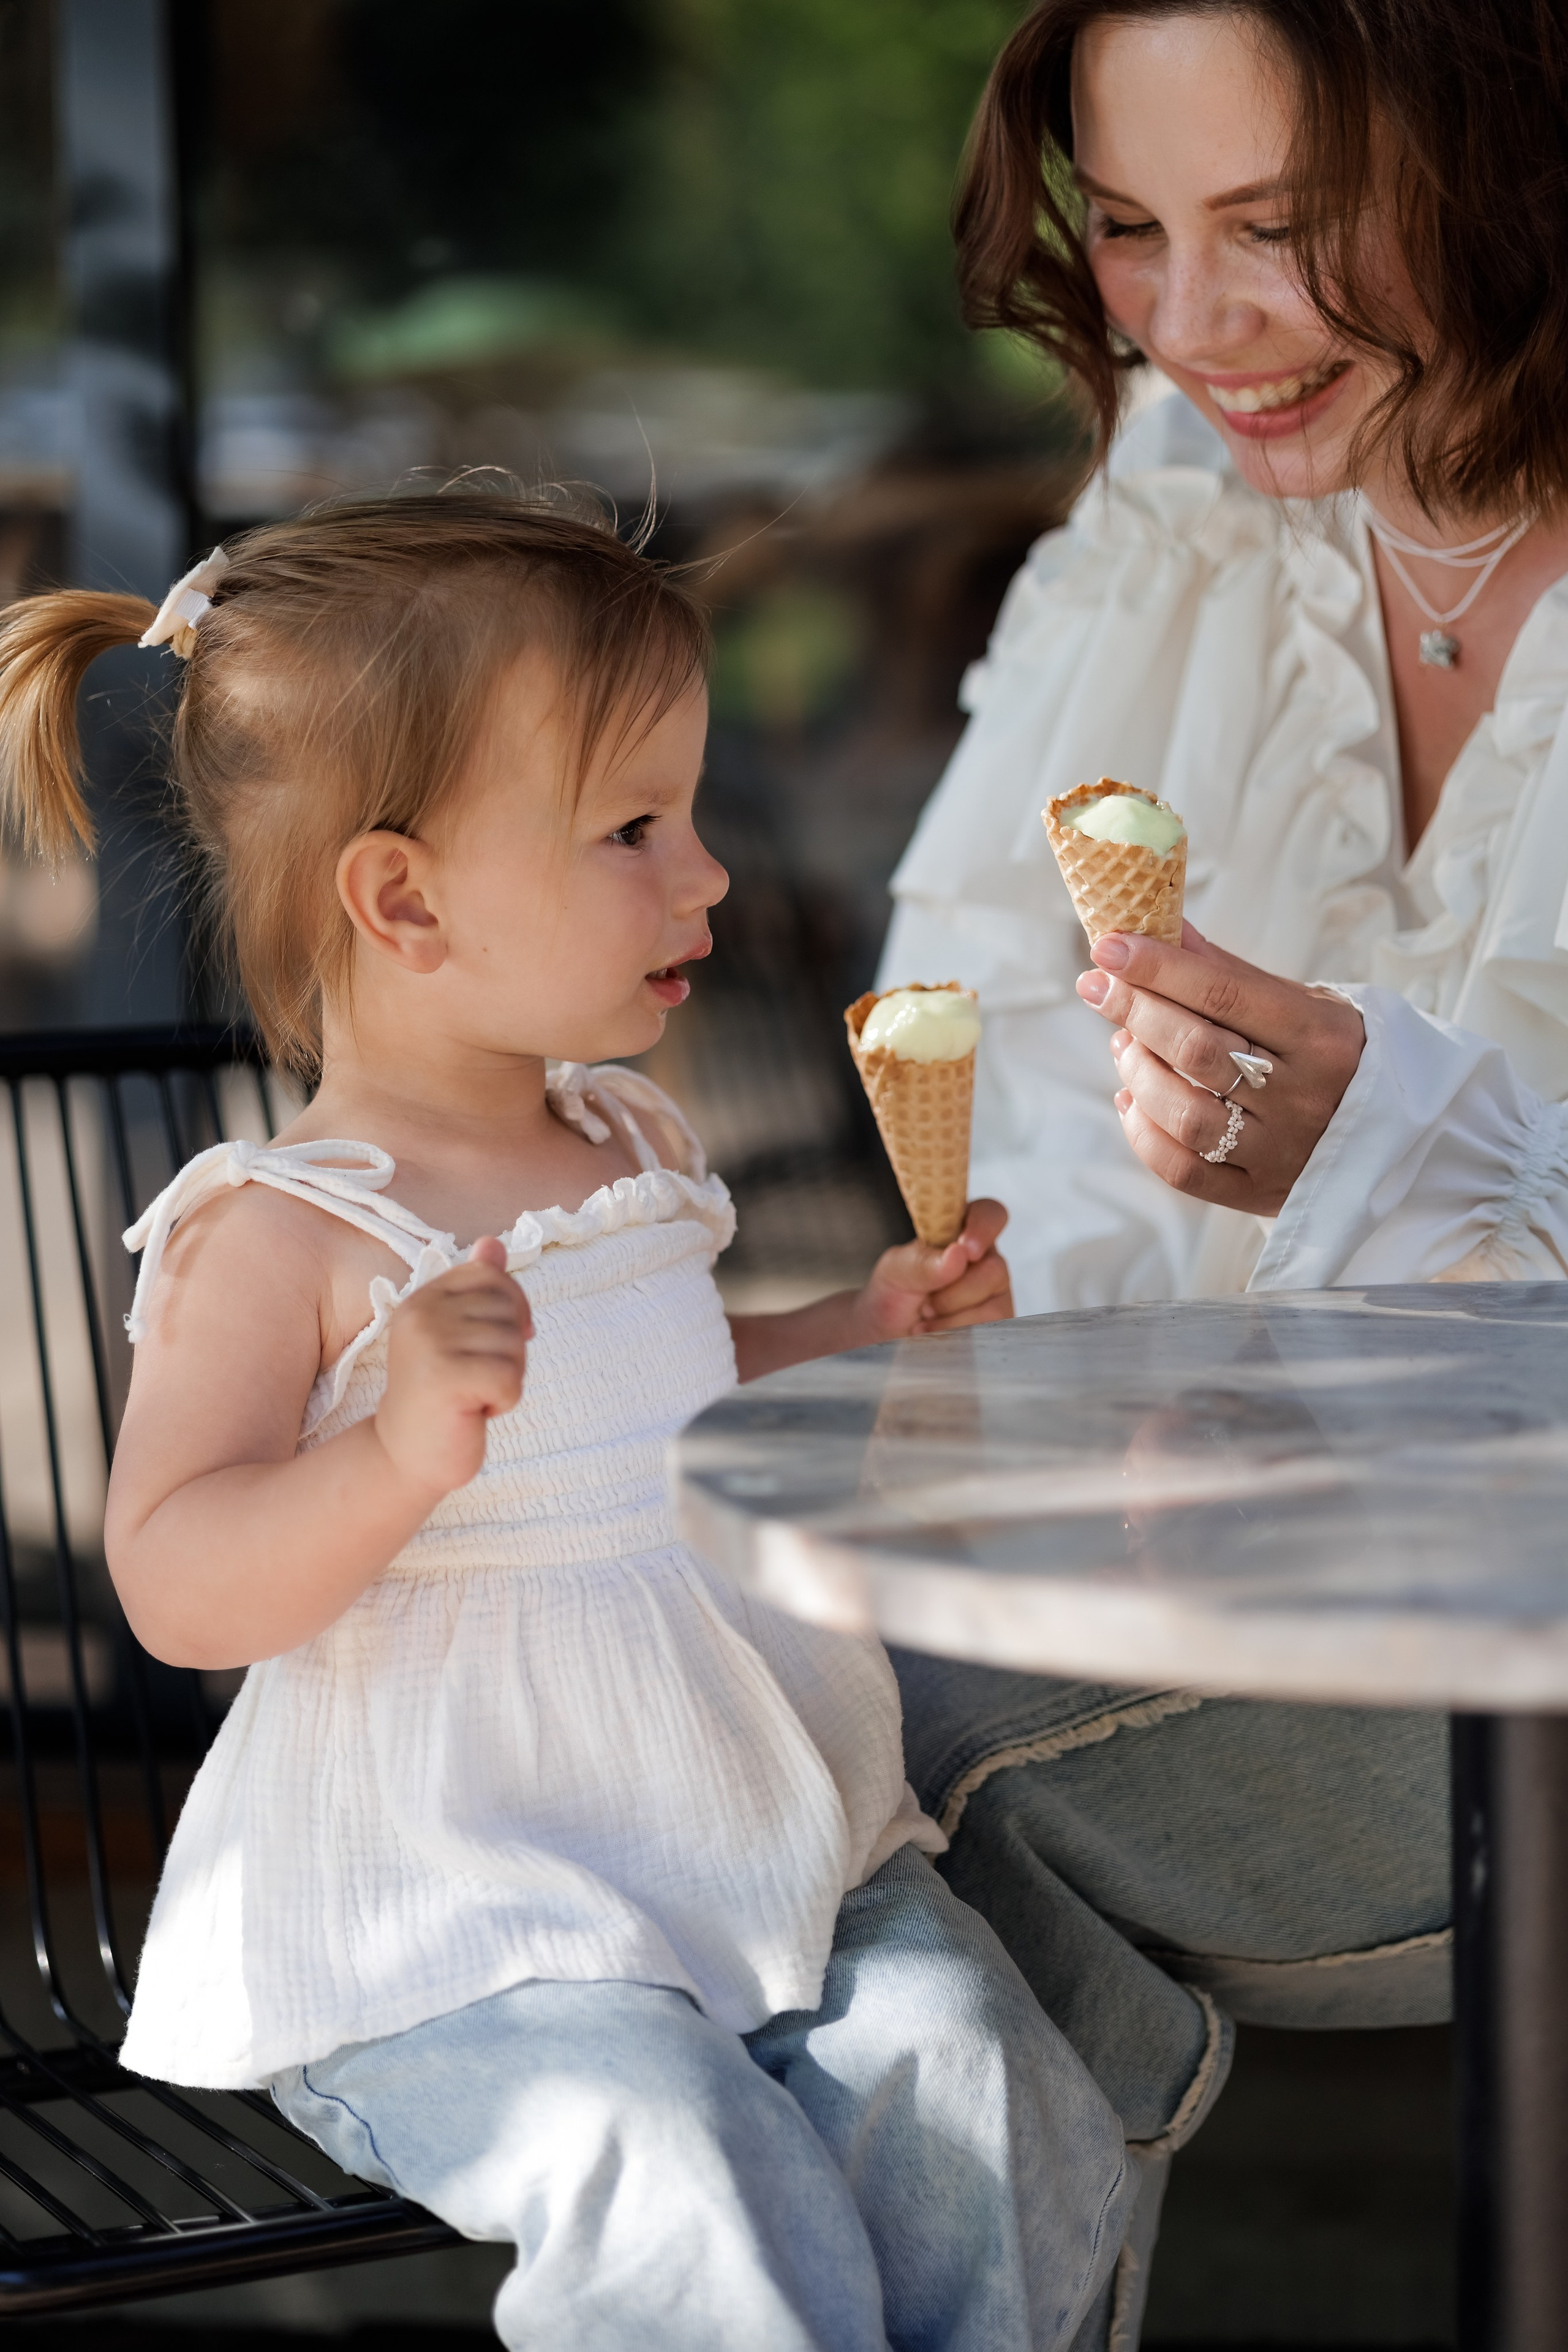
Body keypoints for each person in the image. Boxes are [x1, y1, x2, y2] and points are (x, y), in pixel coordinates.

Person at [0, 492, 1132, 2352]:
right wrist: (383, 1460)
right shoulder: (284, 1229)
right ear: (405, 898)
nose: (707, 880)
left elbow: (667, 1394)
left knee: (976, 2069)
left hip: (726, 1836)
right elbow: (175, 1582)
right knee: (667, 2162)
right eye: (633, 830)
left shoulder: (624, 1145)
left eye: (687, 818)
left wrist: (855, 1327)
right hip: (454, 1922)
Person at [877, 0, 1568, 2331]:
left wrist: (1418, 1144)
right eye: (1140, 230)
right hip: (1266, 1559)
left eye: (1283, 229)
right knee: (728, 1685)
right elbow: (993, 1052)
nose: (1190, 329)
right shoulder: (1183, 491)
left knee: (906, 1768)